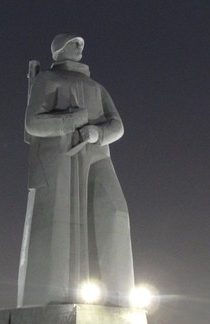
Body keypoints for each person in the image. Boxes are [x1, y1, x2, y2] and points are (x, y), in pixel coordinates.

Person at [17, 35, 135, 307]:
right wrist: (70, 120)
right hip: (60, 159)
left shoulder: (96, 87)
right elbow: (33, 123)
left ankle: (118, 300)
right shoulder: (47, 80)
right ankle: (53, 299)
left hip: (97, 156)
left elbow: (118, 125)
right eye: (73, 43)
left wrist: (97, 132)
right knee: (59, 228)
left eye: (81, 43)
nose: (80, 46)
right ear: (58, 50)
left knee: (115, 211)